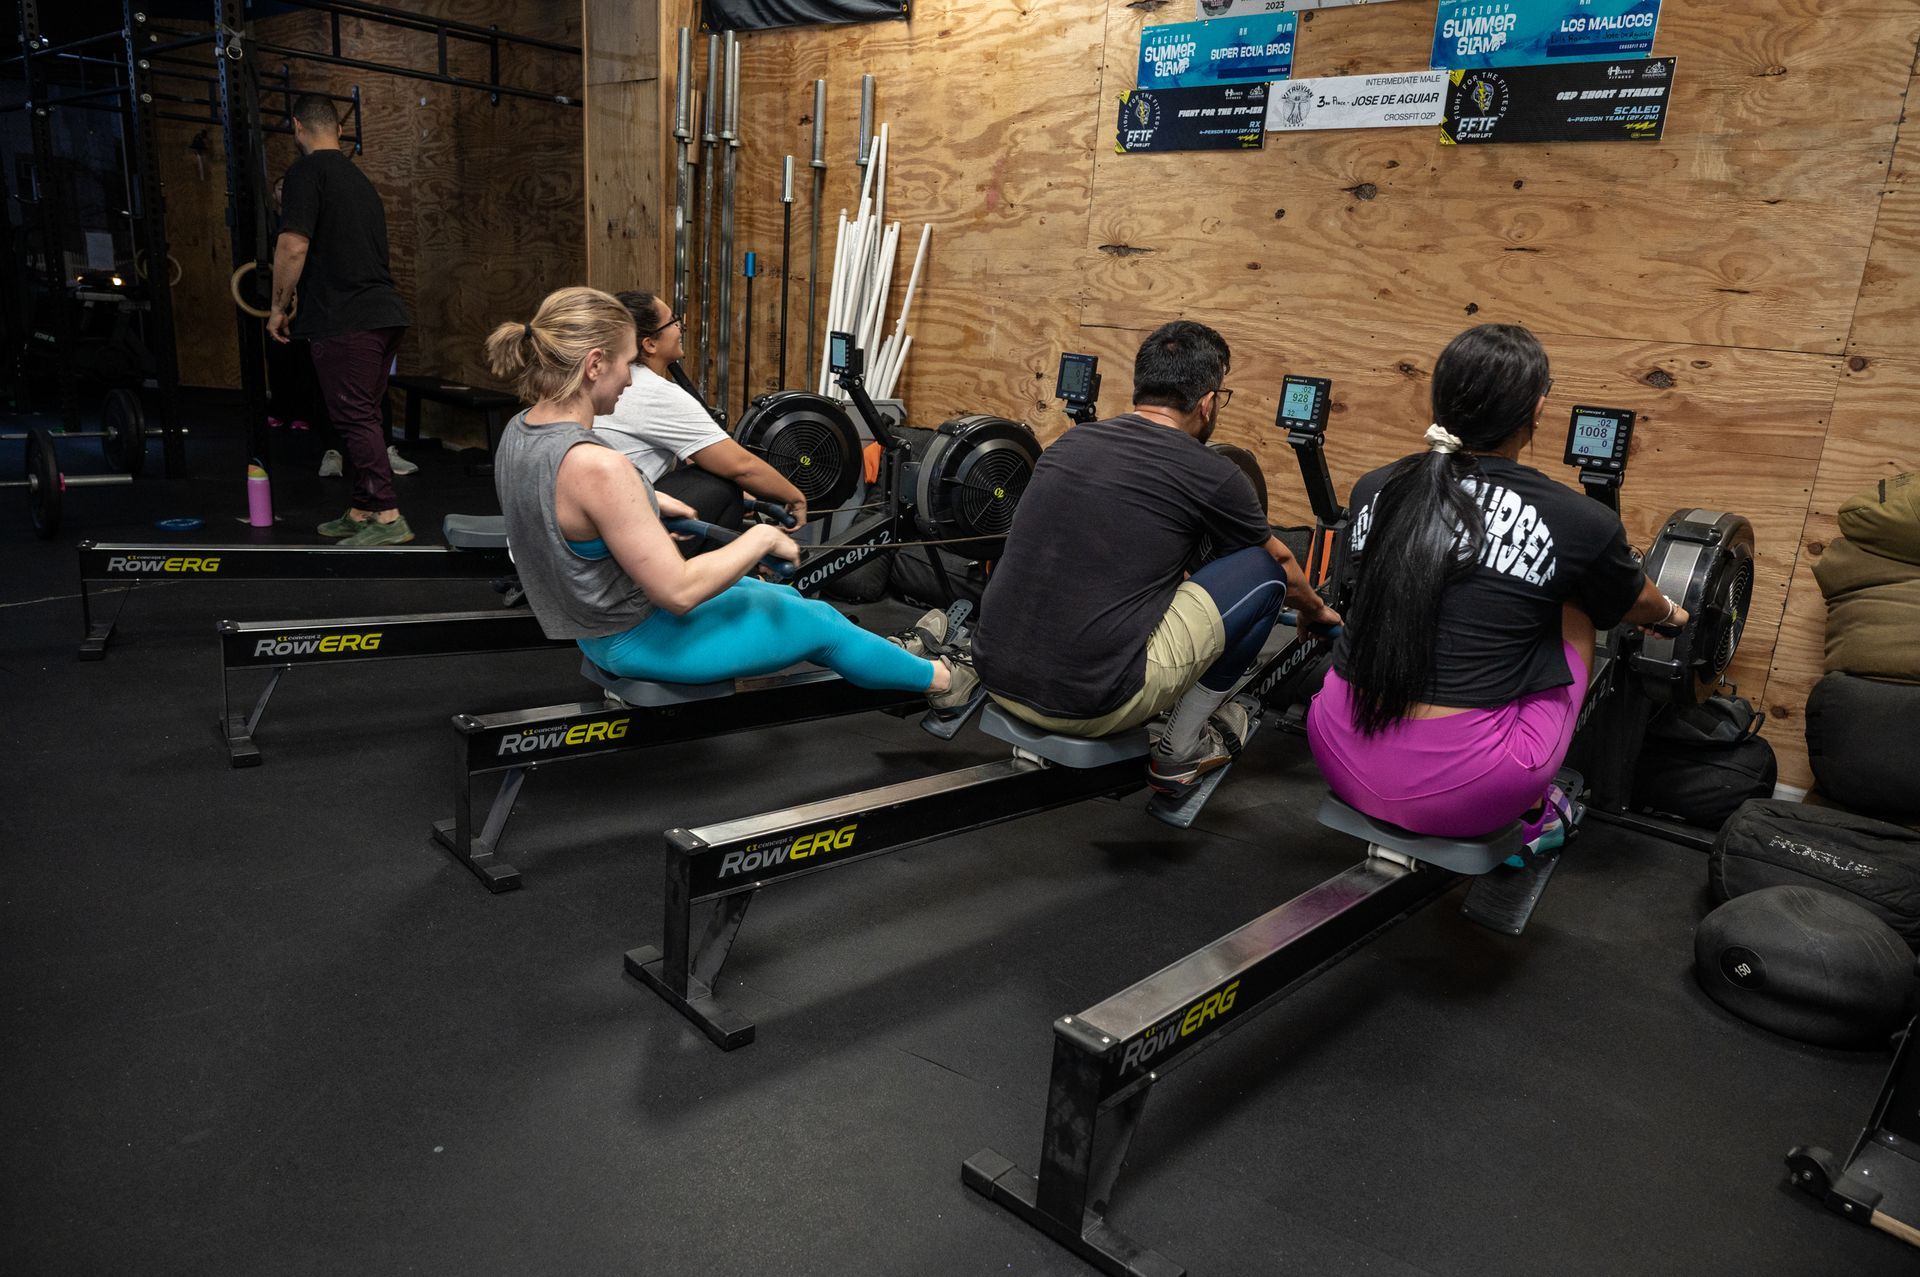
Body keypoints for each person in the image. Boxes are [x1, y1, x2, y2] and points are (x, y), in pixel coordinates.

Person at [484, 286, 976, 708]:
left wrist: (650, 503)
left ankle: (888, 656)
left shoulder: (522, 431)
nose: (630, 379)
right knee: (824, 625)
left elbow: (567, 509)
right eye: (628, 364)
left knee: (784, 597)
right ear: (595, 365)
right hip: (638, 635)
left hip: (597, 626)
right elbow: (677, 592)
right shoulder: (599, 466)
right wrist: (759, 539)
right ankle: (947, 682)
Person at [1305, 323, 1689, 853]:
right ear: (1536, 411)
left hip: (1332, 748)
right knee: (1577, 601)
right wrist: (1672, 614)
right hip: (1468, 788)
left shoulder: (1376, 485)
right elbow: (1632, 604)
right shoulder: (1578, 520)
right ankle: (1538, 810)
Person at [972, 320, 1340, 798]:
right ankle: (1181, 747)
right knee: (1264, 572)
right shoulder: (1213, 472)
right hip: (1093, 704)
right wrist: (1316, 611)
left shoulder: (1068, 444)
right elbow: (1285, 567)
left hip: (995, 675)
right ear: (1207, 403)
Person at [268, 94, 414, 544]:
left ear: (297, 126)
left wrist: (278, 305)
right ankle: (362, 507)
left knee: (353, 418)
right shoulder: (357, 180)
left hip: (347, 321)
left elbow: (293, 245)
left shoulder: (305, 172)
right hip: (381, 315)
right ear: (338, 129)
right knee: (362, 416)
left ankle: (388, 516)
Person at [597, 290, 810, 548]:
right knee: (723, 485)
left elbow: (692, 453)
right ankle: (711, 580)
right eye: (673, 322)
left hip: (609, 513)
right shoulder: (654, 392)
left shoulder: (610, 379)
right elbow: (741, 466)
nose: (680, 328)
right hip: (623, 528)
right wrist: (795, 497)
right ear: (649, 344)